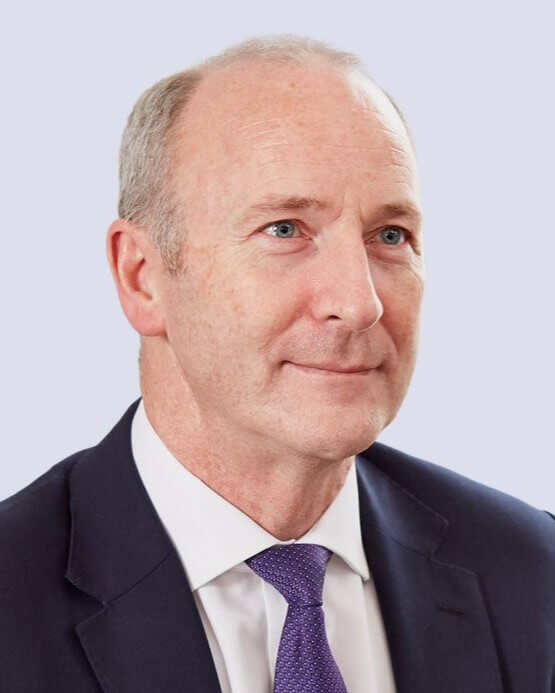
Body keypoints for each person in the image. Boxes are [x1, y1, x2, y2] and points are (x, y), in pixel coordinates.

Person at [1, 35, 553, 693]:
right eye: (285, 229)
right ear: (141, 276)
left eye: (390, 236)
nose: (359, 303)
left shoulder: (531, 571)